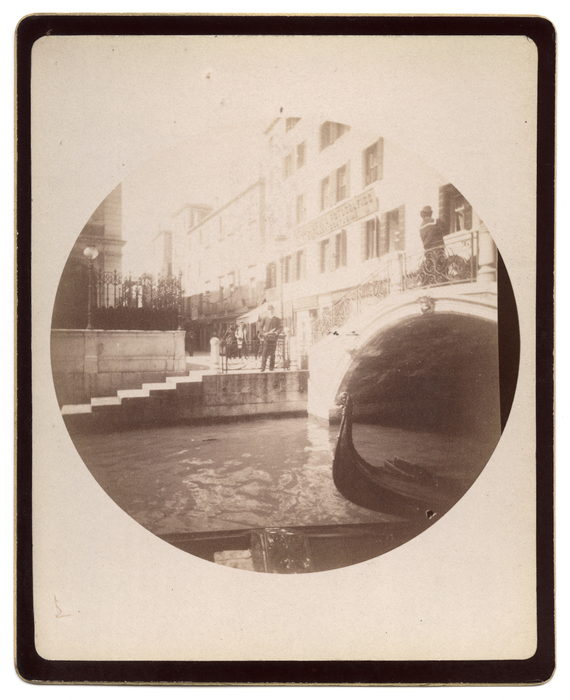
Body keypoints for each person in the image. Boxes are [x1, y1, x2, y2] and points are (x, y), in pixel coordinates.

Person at [259, 305, 281, 372]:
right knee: (264, 353)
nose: (270, 311)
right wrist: (263, 333)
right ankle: (263, 368)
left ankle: (271, 368)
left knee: (272, 354)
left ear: (273, 310)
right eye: (269, 310)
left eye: (271, 309)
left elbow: (280, 328)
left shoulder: (277, 319)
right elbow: (260, 327)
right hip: (266, 338)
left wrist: (277, 332)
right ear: (267, 311)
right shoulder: (264, 318)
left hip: (273, 338)